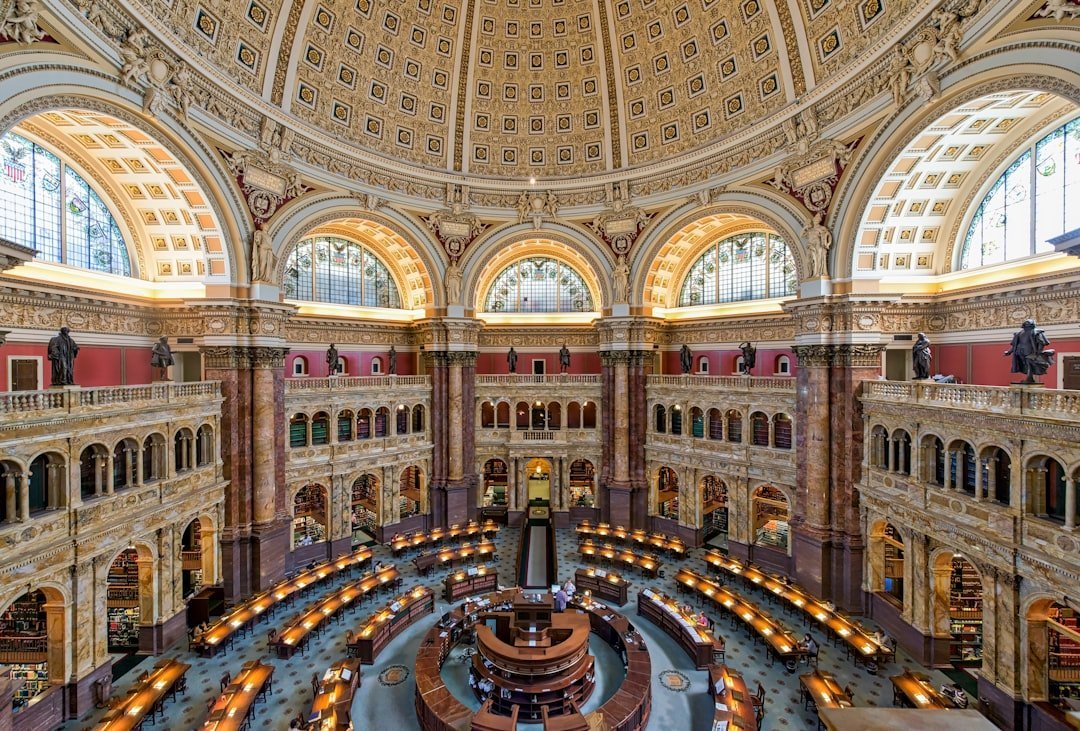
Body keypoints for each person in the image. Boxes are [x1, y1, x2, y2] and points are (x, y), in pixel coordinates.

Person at [1004, 318, 1054, 384]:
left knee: (1029, 363)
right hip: (1020, 352)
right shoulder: (1019, 333)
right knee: (1025, 365)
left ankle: (1029, 378)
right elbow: (1015, 345)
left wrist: (1038, 352)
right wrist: (1009, 352)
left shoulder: (1036, 332)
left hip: (1030, 351)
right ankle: (1030, 378)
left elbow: (1041, 343)